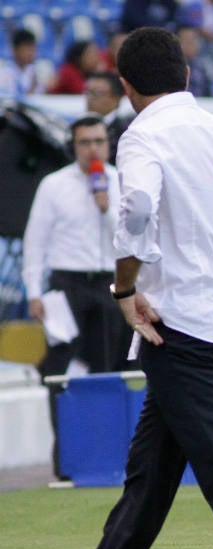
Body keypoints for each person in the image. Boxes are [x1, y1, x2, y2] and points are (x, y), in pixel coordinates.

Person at [14, 27, 213, 549]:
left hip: (176, 329)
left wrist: (125, 287)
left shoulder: (142, 135)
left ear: (126, 86)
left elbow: (139, 208)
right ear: (184, 74)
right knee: (148, 482)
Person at [21, 113, 132, 480]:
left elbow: (132, 235)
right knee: (63, 373)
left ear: (108, 143)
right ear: (74, 146)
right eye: (85, 143)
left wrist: (107, 205)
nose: (92, 149)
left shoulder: (119, 181)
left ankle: (106, 458)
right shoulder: (54, 185)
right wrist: (34, 292)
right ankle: (68, 463)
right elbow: (35, 242)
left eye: (98, 141)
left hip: (110, 284)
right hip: (67, 286)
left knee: (108, 370)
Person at [84, 72, 133, 164]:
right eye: (87, 92)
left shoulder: (125, 132)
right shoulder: (80, 127)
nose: (89, 98)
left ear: (116, 99)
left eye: (96, 93)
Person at [0, 29, 44, 98]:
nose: (31, 53)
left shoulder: (33, 73)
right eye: (27, 49)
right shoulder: (4, 74)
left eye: (33, 49)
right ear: (15, 50)